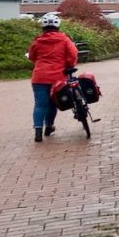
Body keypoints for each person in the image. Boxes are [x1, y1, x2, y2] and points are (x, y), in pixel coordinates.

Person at [28, 12, 78, 142]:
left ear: (42, 27)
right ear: (58, 26)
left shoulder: (37, 42)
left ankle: (38, 132)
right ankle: (49, 126)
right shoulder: (64, 40)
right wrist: (69, 65)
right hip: (58, 77)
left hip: (39, 77)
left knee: (40, 105)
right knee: (53, 104)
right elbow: (73, 54)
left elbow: (32, 56)